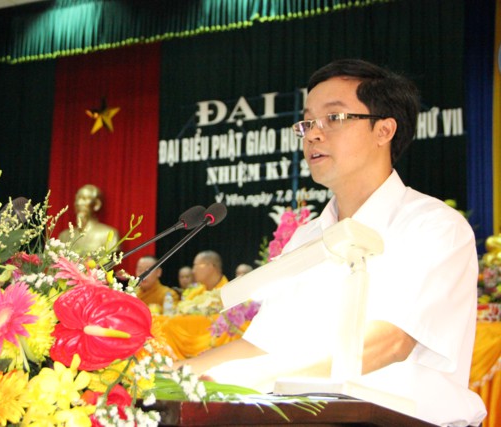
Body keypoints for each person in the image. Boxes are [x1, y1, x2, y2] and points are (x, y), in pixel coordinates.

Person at [177, 59, 486, 426]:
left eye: (334, 118)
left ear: (384, 130)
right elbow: (261, 345)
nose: (313, 135)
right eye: (307, 123)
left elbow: (387, 343)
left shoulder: (433, 226)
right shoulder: (307, 237)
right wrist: (175, 374)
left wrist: (252, 378)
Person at [58, 184, 119, 254]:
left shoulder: (108, 234)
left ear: (97, 204)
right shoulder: (64, 236)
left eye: (84, 199)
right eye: (77, 199)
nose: (78, 203)